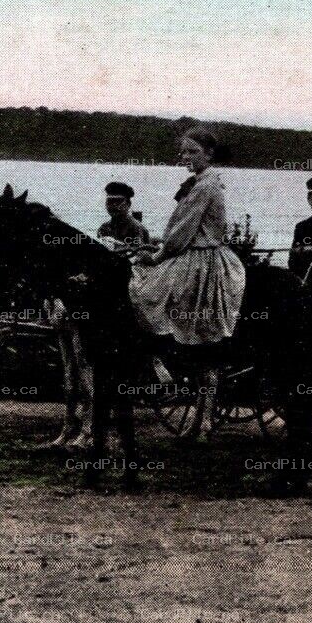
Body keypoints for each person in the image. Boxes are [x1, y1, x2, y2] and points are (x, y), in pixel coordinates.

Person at [129, 126, 247, 438]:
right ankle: (197, 412)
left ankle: (159, 363)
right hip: (199, 254)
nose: (186, 157)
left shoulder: (205, 186)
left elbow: (181, 233)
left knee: (142, 291)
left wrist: (156, 255)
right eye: (183, 152)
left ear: (209, 154)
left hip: (200, 261)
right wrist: (159, 245)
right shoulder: (206, 182)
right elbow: (182, 230)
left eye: (193, 152)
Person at [98, 181, 151, 254]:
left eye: (118, 201)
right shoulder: (104, 228)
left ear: (128, 204)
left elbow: (138, 255)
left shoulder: (136, 228)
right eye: (110, 201)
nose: (114, 206)